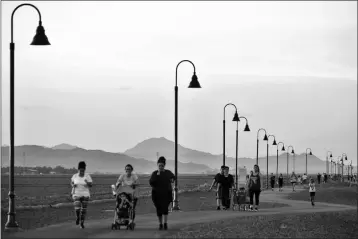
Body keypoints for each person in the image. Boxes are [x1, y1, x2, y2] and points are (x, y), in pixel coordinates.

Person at [149, 156, 175, 230]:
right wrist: (156, 176)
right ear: (157, 165)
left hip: (166, 193)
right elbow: (151, 182)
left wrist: (172, 179)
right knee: (159, 209)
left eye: (162, 166)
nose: (161, 167)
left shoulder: (168, 172)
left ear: (164, 166)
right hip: (156, 194)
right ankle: (160, 224)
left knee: (165, 208)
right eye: (159, 165)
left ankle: (165, 223)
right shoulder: (155, 173)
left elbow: (173, 177)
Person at [71, 161, 93, 229]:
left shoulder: (87, 176)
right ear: (78, 169)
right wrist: (73, 185)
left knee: (83, 210)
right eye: (80, 170)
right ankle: (78, 217)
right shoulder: (74, 176)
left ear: (84, 170)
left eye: (83, 170)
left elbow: (91, 185)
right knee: (77, 209)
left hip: (85, 194)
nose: (81, 172)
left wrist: (87, 182)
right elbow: (71, 183)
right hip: (76, 193)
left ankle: (82, 223)